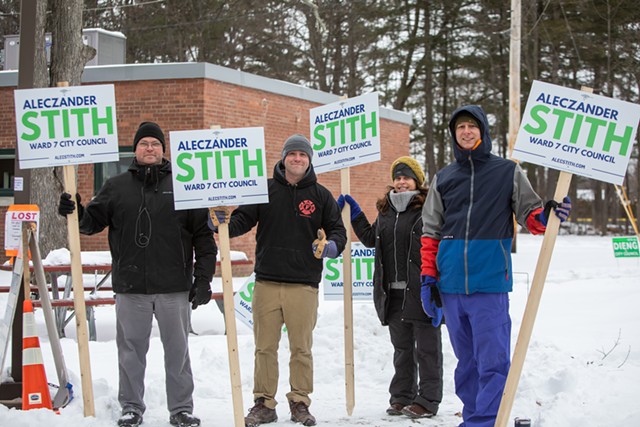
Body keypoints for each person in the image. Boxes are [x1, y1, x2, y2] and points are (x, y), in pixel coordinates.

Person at [419, 105, 571, 427]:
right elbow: (430, 232)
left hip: (489, 283)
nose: (466, 132)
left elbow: (531, 216)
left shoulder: (507, 171)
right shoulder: (444, 178)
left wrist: (549, 215)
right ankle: (474, 417)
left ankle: (484, 423)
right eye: (460, 127)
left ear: (483, 131)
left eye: (472, 126)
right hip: (451, 286)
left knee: (493, 362)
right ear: (454, 135)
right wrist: (428, 278)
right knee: (466, 364)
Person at [58, 122, 217, 427]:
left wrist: (203, 279)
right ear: (135, 149)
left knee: (178, 352)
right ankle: (131, 406)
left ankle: (181, 408)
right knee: (131, 351)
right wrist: (74, 211)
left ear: (162, 150)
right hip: (132, 286)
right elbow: (91, 222)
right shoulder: (117, 187)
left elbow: (204, 238)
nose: (149, 149)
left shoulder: (185, 184)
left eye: (155, 144)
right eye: (144, 143)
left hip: (174, 286)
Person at [211, 134, 346, 427]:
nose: (297, 159)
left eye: (302, 155)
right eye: (292, 154)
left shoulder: (321, 195)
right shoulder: (265, 190)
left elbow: (338, 232)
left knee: (301, 348)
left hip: (303, 284)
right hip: (267, 283)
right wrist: (219, 222)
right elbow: (240, 222)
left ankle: (299, 402)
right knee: (264, 347)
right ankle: (264, 403)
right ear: (283, 158)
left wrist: (331, 247)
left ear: (309, 160)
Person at [337, 156, 443, 419]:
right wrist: (356, 214)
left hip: (422, 290)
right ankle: (402, 396)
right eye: (397, 177)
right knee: (403, 348)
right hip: (392, 293)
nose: (401, 181)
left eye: (406, 177)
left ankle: (428, 399)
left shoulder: (428, 208)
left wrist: (438, 287)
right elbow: (372, 239)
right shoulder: (386, 211)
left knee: (427, 349)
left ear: (417, 181)